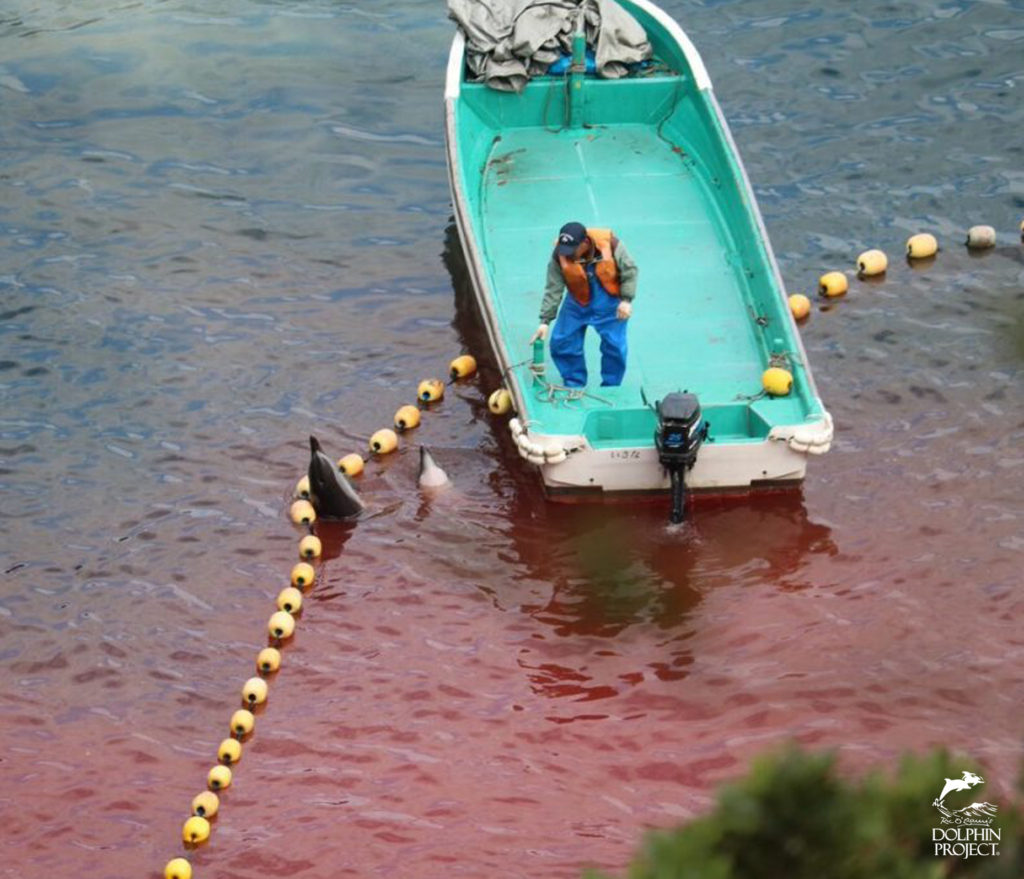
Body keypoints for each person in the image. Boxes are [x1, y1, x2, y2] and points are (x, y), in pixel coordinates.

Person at [531, 221, 637, 390]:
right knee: (562, 341)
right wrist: (545, 321)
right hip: (577, 300)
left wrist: (626, 301)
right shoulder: (560, 255)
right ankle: (574, 383)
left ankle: (611, 387)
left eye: (572, 250)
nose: (568, 255)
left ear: (585, 243)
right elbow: (554, 288)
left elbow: (630, 271)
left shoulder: (613, 245)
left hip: (609, 302)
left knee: (615, 346)